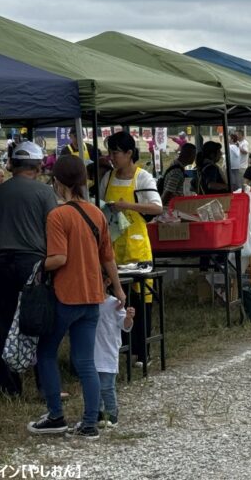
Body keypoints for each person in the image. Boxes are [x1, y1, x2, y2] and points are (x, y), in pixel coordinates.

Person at [28, 156, 125, 439]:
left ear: (57, 182)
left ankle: (56, 415)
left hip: (65, 296)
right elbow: (107, 256)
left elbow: (58, 258)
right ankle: (89, 424)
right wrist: (117, 289)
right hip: (93, 296)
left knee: (45, 353)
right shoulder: (96, 212)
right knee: (85, 362)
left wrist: (37, 264)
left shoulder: (57, 216)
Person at [0, 141, 58, 396]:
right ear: (37, 166)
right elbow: (53, 233)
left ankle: (8, 387)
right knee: (38, 321)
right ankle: (43, 383)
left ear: (12, 165)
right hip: (34, 262)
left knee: (4, 323)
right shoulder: (45, 193)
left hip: (1, 263)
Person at [100, 131, 163, 368]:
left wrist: (128, 206)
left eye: (115, 152)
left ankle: (142, 350)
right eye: (110, 152)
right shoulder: (108, 178)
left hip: (136, 247)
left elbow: (157, 208)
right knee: (116, 300)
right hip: (113, 246)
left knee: (140, 299)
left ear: (129, 154)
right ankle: (120, 348)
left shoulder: (143, 177)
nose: (112, 157)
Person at [96, 288, 135, 429]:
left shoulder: (115, 303)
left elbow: (125, 326)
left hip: (108, 352)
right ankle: (97, 412)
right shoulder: (88, 302)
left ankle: (112, 413)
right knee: (94, 386)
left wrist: (129, 318)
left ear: (106, 282)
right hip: (92, 352)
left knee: (106, 386)